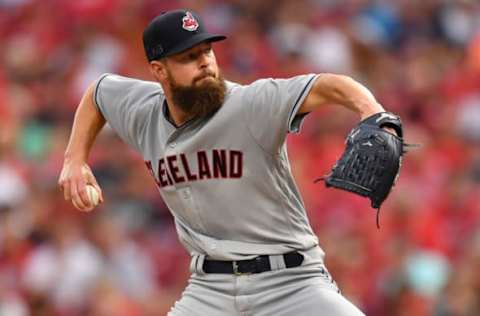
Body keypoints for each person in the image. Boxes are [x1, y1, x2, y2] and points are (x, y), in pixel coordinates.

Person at [59, 9, 396, 316]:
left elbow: (329, 85)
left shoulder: (249, 104)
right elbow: (98, 93)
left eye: (207, 50)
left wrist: (374, 114)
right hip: (210, 289)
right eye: (189, 57)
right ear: (159, 70)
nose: (204, 62)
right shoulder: (142, 112)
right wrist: (75, 159)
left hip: (292, 283)